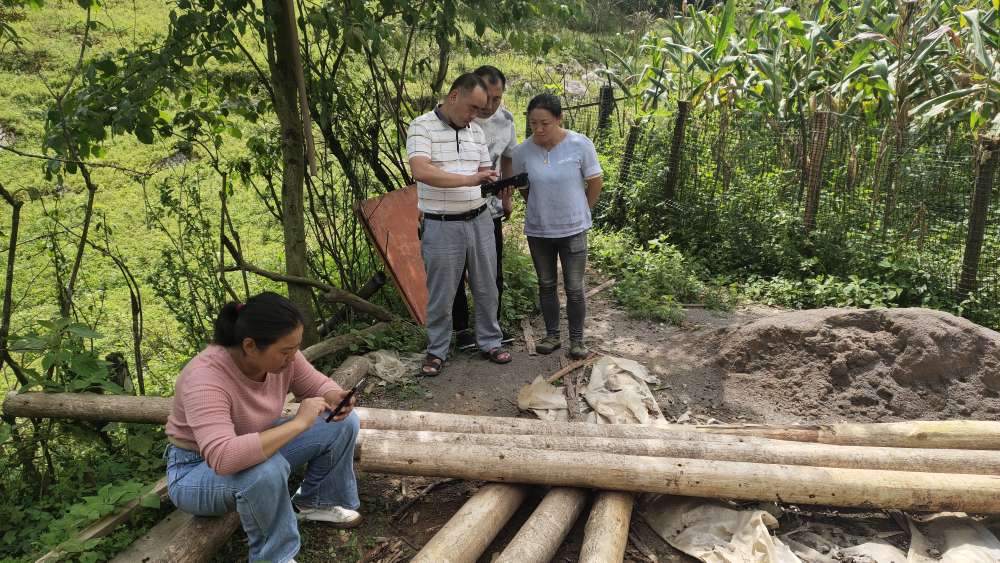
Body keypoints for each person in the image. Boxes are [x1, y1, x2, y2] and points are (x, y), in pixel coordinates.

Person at [165, 292, 361, 563]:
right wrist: (299, 424)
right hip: (196, 470)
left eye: (296, 348)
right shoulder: (205, 379)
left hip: (252, 443)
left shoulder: (284, 357)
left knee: (341, 422)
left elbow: (314, 383)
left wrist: (332, 394)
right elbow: (224, 458)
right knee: (265, 469)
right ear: (249, 346)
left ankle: (316, 501)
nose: (293, 357)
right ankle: (274, 557)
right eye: (285, 351)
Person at [407, 73, 513, 376]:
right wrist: (470, 179)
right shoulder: (421, 126)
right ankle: (437, 350)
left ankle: (490, 341)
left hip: (479, 218)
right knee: (441, 292)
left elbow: (483, 168)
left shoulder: (474, 131)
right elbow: (422, 171)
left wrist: (494, 180)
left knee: (486, 286)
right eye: (472, 108)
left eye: (481, 110)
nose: (475, 116)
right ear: (454, 96)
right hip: (441, 224)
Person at [512, 93, 604, 359]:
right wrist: (541, 208)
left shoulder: (579, 144)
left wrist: (583, 208)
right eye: (533, 123)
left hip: (574, 228)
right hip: (539, 230)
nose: (539, 129)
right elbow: (524, 188)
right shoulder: (522, 152)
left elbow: (595, 182)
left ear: (559, 119)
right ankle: (552, 336)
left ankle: (577, 340)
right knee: (546, 283)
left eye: (545, 123)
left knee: (574, 287)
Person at [451, 65, 518, 348]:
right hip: (453, 207)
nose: (490, 106)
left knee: (492, 271)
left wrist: (507, 196)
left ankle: (491, 327)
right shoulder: (457, 116)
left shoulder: (505, 120)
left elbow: (508, 157)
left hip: (488, 208)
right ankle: (460, 330)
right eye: (487, 98)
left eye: (497, 99)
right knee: (456, 270)